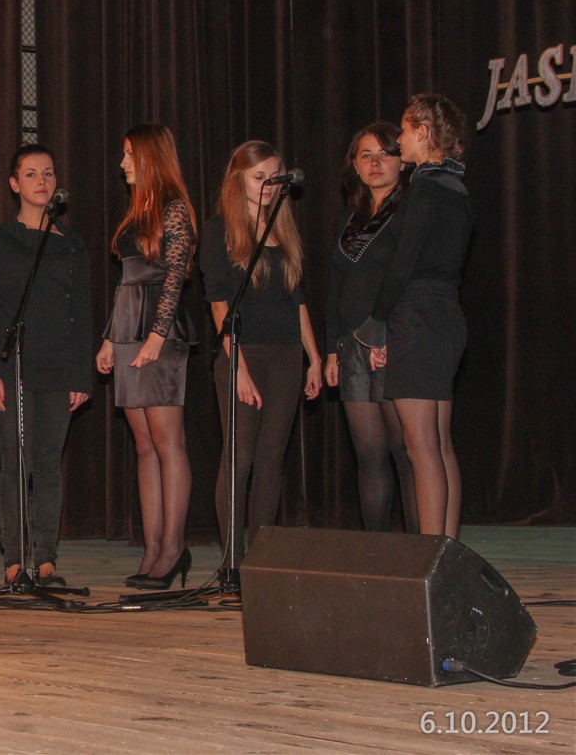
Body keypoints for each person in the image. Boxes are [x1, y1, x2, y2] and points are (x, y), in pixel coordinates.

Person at [0, 144, 91, 586]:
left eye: (49, 173)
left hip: (59, 366)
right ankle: (15, 560)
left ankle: (46, 559)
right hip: (11, 366)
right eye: (32, 174)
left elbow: (82, 312)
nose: (42, 181)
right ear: (14, 183)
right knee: (15, 461)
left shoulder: (72, 244)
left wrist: (82, 375)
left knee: (48, 462)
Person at [201, 140, 322, 577]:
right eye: (259, 177)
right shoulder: (219, 230)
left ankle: (260, 561)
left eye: (274, 176)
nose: (268, 185)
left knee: (272, 458)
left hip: (286, 355)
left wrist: (313, 357)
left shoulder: (283, 230)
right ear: (238, 179)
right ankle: (232, 561)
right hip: (242, 353)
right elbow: (219, 304)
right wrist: (238, 367)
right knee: (240, 456)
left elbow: (297, 300)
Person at [354, 94, 473, 537]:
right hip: (445, 315)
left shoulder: (424, 186)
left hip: (417, 316)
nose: (398, 140)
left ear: (423, 133)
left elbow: (403, 263)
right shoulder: (456, 186)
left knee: (420, 446)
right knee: (438, 443)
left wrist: (377, 322)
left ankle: (432, 554)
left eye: (404, 131)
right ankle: (446, 550)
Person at [95, 124, 197, 590]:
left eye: (129, 154)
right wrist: (109, 339)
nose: (123, 163)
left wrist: (157, 335)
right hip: (127, 330)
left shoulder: (174, 209)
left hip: (160, 330)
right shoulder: (138, 210)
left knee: (167, 441)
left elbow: (174, 275)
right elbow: (125, 282)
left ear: (152, 157)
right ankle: (152, 548)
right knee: (143, 444)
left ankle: (174, 548)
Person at [324, 123, 417, 532]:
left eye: (385, 153)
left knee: (405, 452)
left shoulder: (410, 210)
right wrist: (331, 350)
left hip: (392, 340)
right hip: (351, 346)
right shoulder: (349, 218)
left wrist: (394, 335)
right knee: (369, 455)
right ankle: (376, 550)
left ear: (402, 161)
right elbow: (335, 286)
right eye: (366, 155)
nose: (375, 163)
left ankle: (419, 550)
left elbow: (411, 280)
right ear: (355, 165)